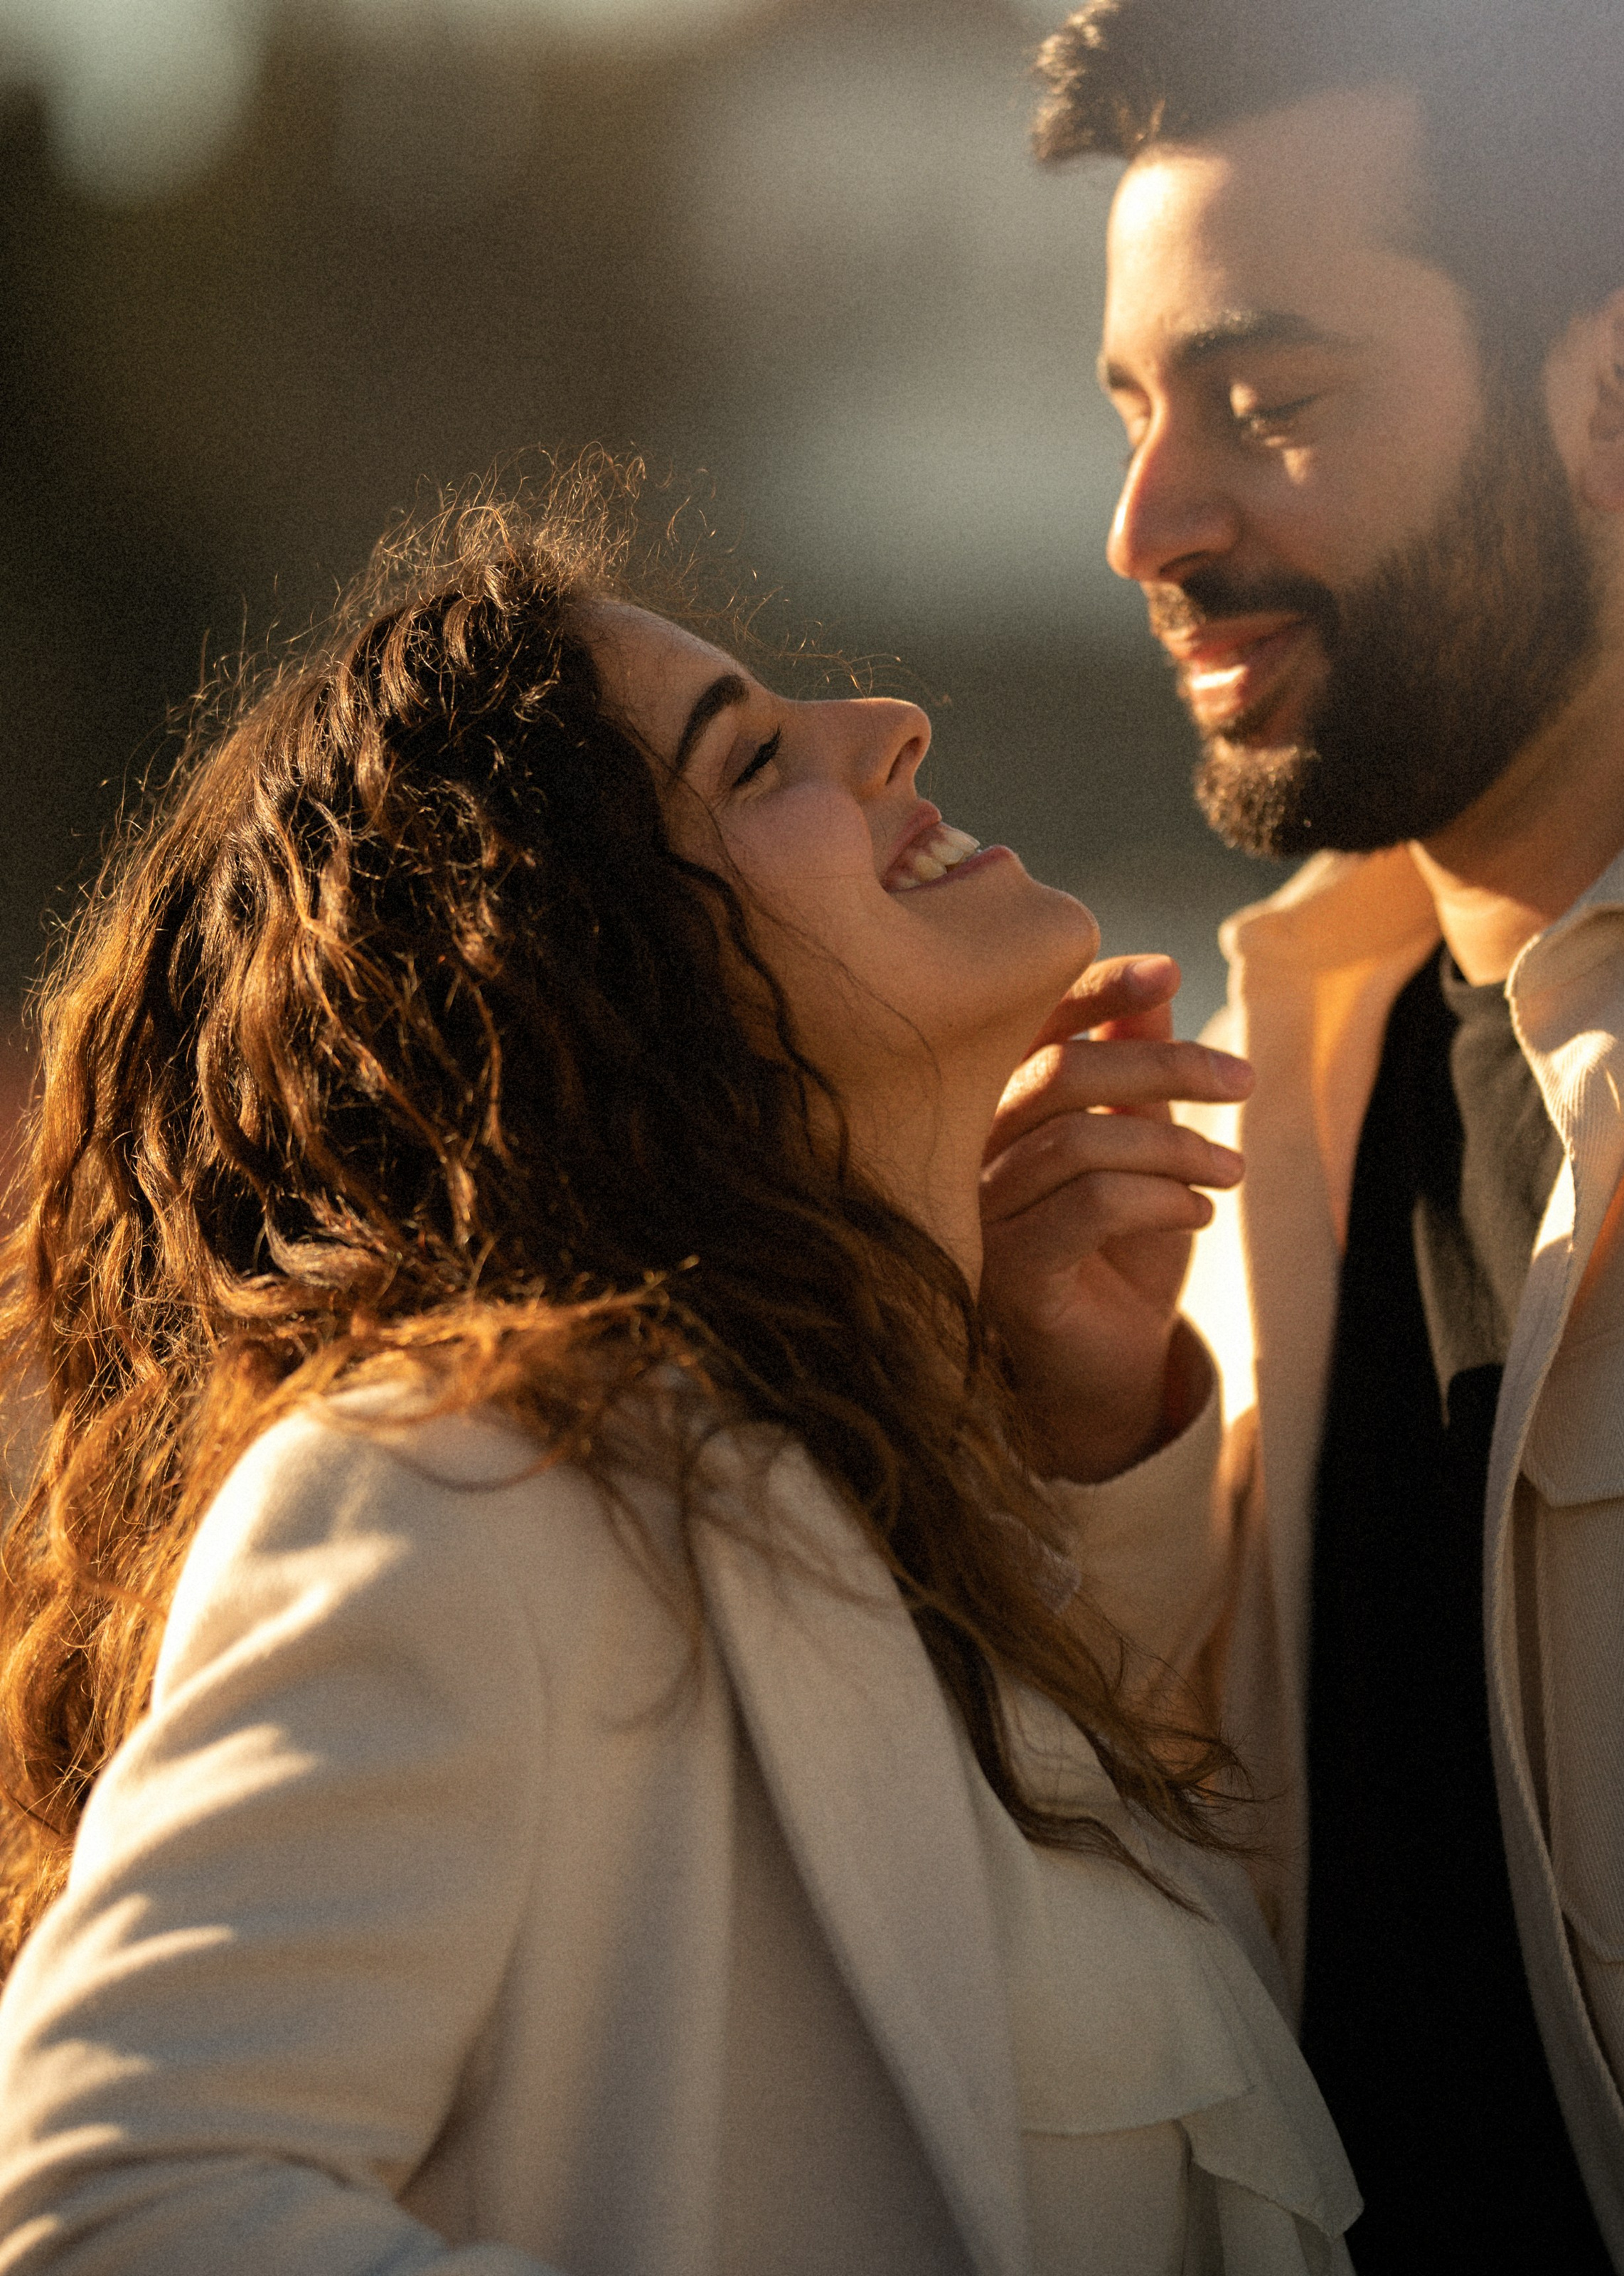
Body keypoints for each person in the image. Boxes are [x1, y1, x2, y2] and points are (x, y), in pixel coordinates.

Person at [0, 468, 1359, 2275]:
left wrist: (1078, 1428)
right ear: (583, 990)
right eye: (747, 762)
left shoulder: (907, 1519)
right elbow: (115, 2204)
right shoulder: (464, 1487)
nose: (884, 724)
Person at [978, 1, 1624, 2271]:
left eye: (1273, 405)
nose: (1152, 522)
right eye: (1139, 414)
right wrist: (1104, 1435)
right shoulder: (1258, 1083)